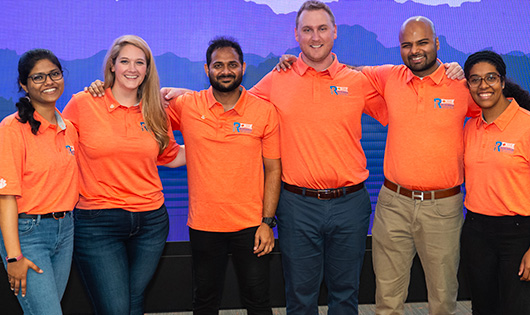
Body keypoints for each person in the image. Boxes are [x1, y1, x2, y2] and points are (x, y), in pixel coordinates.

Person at [86, 36, 281, 314]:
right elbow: (141, 106)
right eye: (218, 65)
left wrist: (267, 222)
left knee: (258, 301)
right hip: (204, 224)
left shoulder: (264, 111)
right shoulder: (187, 105)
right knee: (204, 301)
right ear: (207, 70)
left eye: (232, 65)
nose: (225, 71)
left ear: (243, 67)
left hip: (251, 225)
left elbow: (273, 169)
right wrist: (101, 88)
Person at [250, 1, 388, 314]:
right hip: (297, 206)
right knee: (300, 296)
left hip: (349, 205)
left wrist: (448, 74)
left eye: (322, 28)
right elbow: (236, 107)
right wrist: (184, 96)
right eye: (308, 29)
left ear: (335, 32)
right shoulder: (277, 78)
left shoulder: (356, 81)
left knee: (345, 295)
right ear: (296, 34)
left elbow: (403, 109)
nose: (315, 36)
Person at [62, 35, 185, 315]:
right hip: (97, 223)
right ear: (113, 66)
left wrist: (220, 148)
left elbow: (171, 156)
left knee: (134, 299)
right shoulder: (83, 103)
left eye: (140, 62)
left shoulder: (156, 110)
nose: (132, 69)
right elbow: (57, 147)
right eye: (125, 61)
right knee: (117, 308)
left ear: (148, 69)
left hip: (151, 222)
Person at [0, 49, 78, 314]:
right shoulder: (12, 129)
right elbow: (6, 196)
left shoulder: (68, 128)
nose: (49, 82)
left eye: (54, 74)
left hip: (65, 231)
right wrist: (14, 256)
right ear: (24, 85)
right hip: (28, 234)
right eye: (38, 77)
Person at [461, 50, 530, 315]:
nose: (483, 86)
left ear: (502, 81)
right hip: (477, 232)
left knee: (517, 309)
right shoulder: (469, 128)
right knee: (483, 308)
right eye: (474, 80)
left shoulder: (526, 125)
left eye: (490, 77)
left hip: (518, 234)